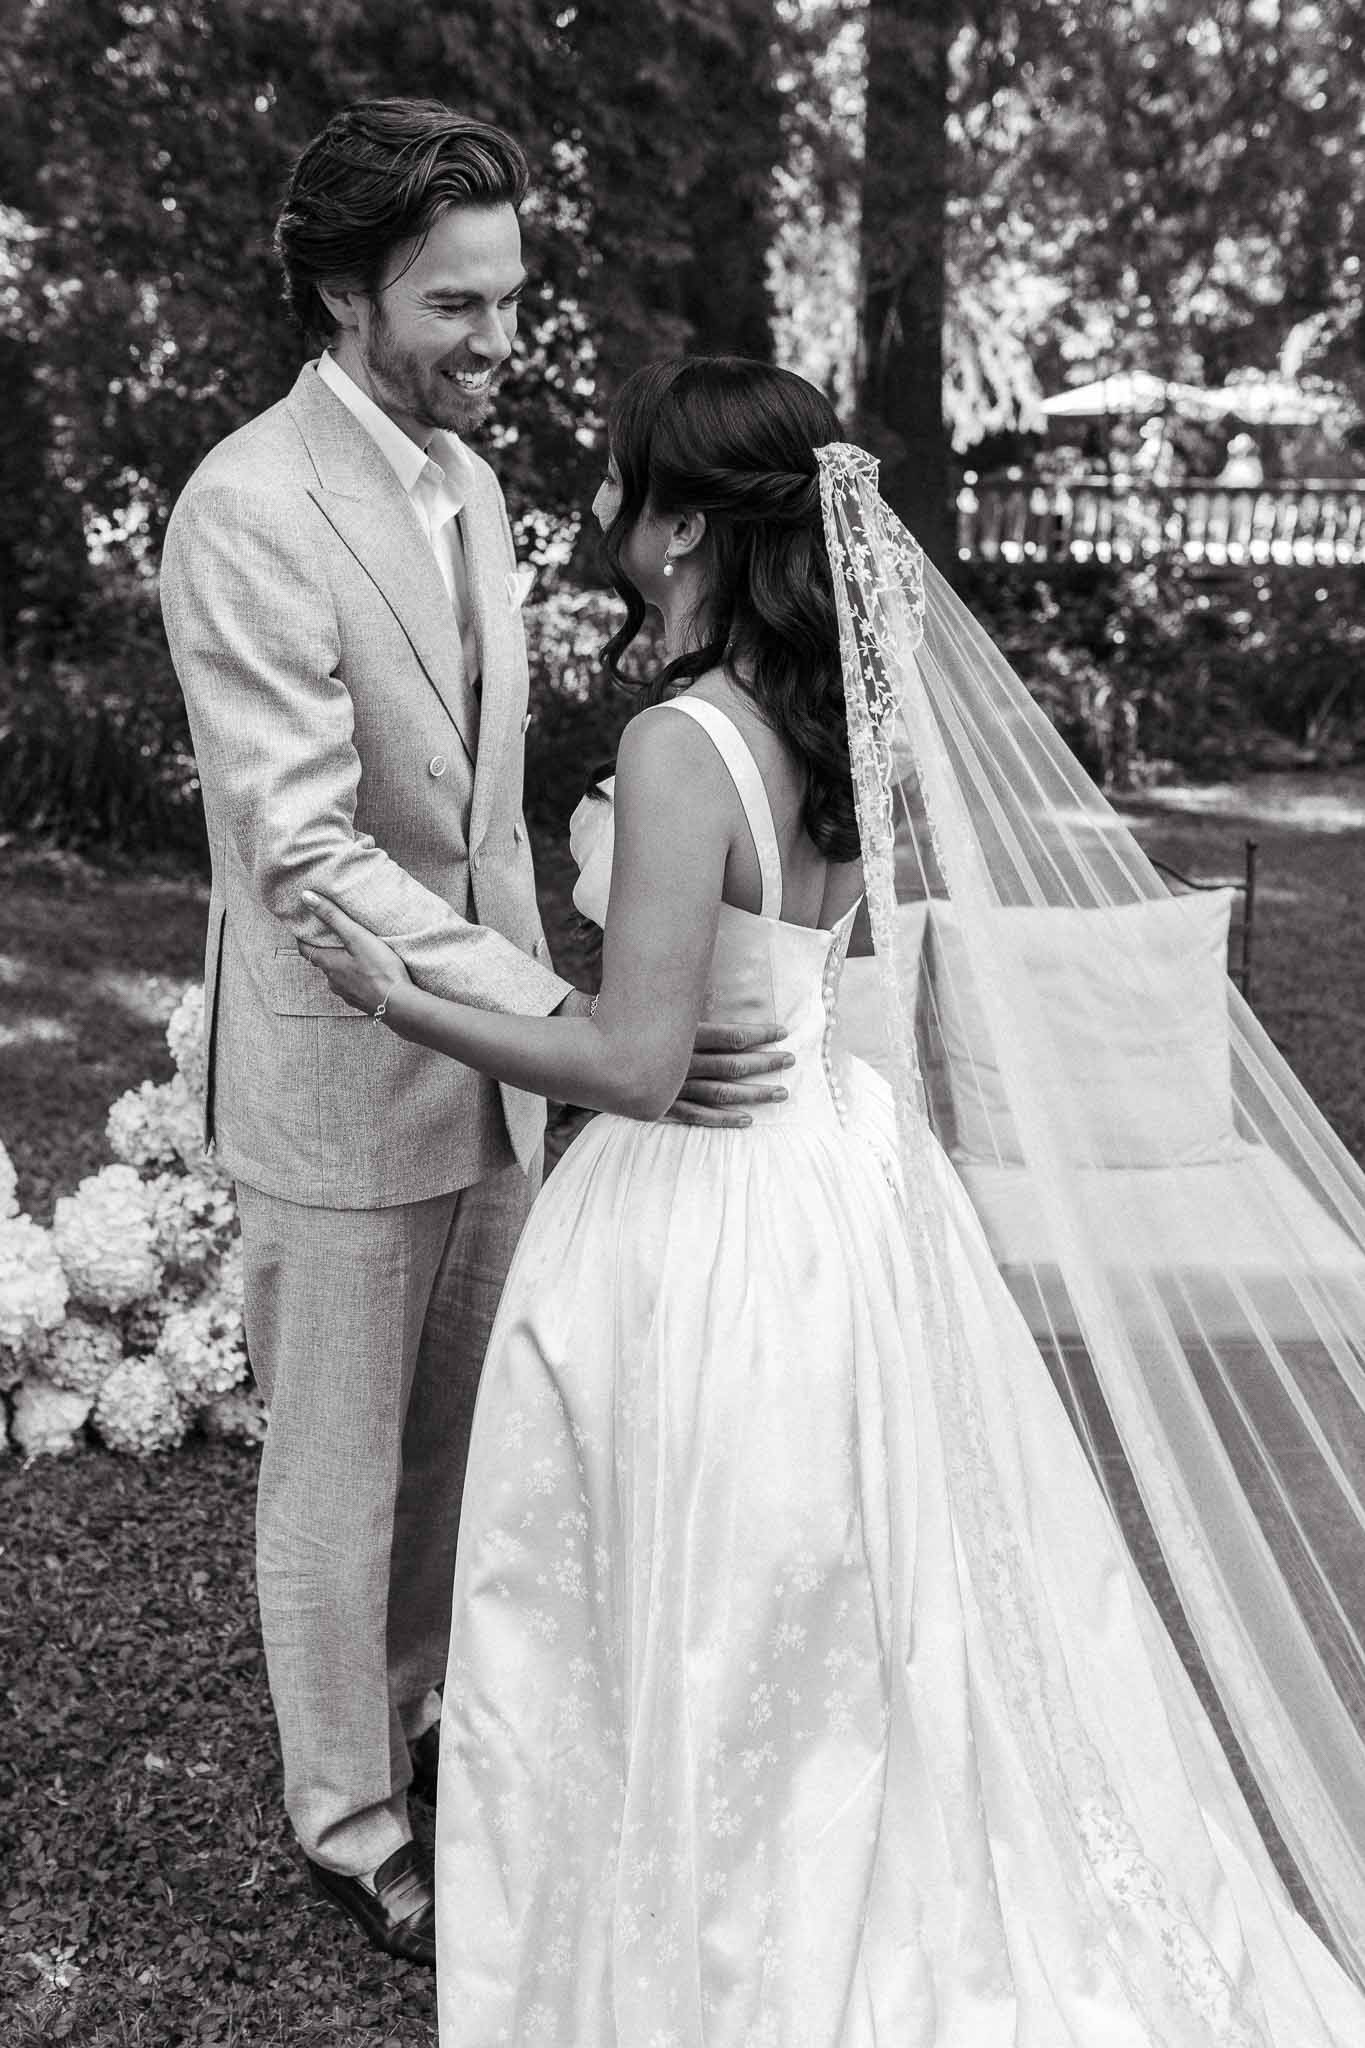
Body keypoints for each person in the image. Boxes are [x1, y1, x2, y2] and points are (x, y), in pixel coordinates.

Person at [303, 355, 1365, 2042]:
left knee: (700, 1566)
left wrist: (399, 997)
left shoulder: (676, 744)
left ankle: (710, 1897)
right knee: (842, 1561)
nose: (593, 511)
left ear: (682, 528)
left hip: (704, 1213)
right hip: (832, 1179)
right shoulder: (827, 717)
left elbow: (644, 1064)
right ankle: (814, 1845)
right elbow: (771, 989)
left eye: (618, 484)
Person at [158, 107, 785, 1971]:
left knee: (456, 1447)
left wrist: (569, 1004)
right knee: (337, 1476)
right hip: (338, 1071)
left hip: (493, 1079)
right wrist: (574, 1019)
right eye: (456, 303)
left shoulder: (476, 488)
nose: (500, 340)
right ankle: (350, 1824)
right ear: (345, 293)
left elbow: (486, 808)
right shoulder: (248, 506)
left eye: (510, 298)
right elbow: (304, 842)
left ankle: (418, 1721)